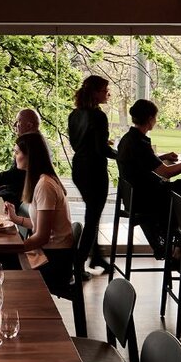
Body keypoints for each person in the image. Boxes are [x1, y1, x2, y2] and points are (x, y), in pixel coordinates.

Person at [116, 99, 181, 258]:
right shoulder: (138, 142)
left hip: (135, 197)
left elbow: (140, 162)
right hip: (147, 199)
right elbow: (166, 173)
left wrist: (163, 156)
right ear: (150, 119)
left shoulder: (128, 139)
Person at [3, 133, 74, 292]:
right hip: (50, 254)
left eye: (17, 152)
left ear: (30, 156)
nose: (15, 157)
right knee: (1, 260)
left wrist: (13, 248)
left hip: (54, 262)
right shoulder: (42, 180)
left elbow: (42, 236)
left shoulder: (45, 185)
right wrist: (16, 219)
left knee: (1, 265)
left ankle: (21, 309)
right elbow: (42, 225)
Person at [68, 75, 117, 276]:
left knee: (92, 214)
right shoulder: (98, 116)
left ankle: (96, 256)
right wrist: (119, 154)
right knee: (92, 217)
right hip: (95, 170)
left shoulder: (74, 115)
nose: (108, 94)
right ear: (96, 93)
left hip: (79, 168)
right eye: (105, 90)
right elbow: (100, 150)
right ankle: (79, 264)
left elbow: (78, 144)